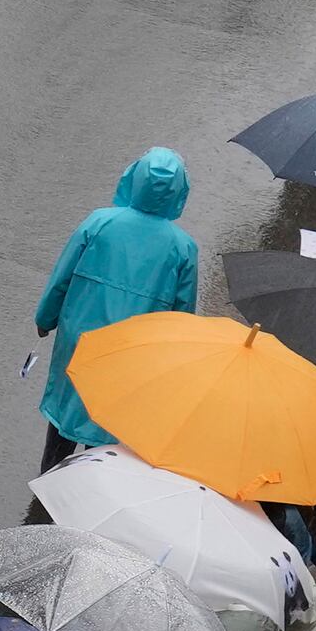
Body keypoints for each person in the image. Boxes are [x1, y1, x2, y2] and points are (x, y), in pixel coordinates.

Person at [29, 146, 197, 466]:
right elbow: (181, 314)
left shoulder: (100, 223)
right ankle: (89, 487)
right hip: (135, 353)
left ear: (135, 178)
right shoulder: (183, 248)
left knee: (66, 416)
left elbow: (62, 277)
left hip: (82, 338)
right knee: (111, 423)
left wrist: (45, 318)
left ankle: (49, 481)